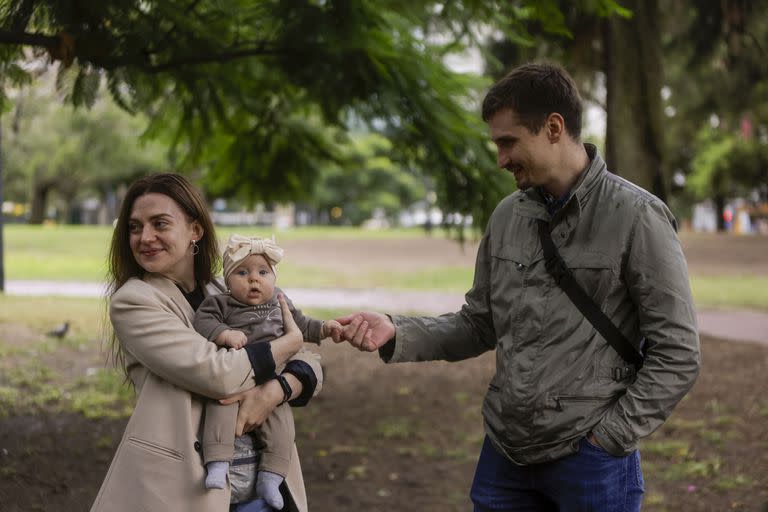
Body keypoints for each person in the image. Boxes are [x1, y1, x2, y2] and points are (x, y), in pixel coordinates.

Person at [336, 62, 700, 511]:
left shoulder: (638, 217)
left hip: (590, 461)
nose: (501, 159)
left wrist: (610, 437)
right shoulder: (507, 216)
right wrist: (397, 330)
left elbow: (678, 350)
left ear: (553, 128)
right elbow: (478, 324)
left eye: (508, 142)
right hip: (504, 456)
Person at [92, 173, 322, 512]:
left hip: (264, 483)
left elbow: (314, 361)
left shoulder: (227, 289)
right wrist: (288, 345)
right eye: (135, 227)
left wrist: (276, 391)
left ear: (195, 231)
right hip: (191, 487)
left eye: (160, 224)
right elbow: (219, 375)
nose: (146, 237)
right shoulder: (135, 301)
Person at [194, 234, 341, 509]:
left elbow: (301, 324)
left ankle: (271, 477)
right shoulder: (221, 304)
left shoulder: (279, 301)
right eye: (242, 272)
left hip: (274, 379)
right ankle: (217, 462)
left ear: (273, 277)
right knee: (220, 409)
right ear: (227, 281)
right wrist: (224, 334)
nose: (254, 279)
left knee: (282, 427)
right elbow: (203, 322)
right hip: (236, 379)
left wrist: (323, 329)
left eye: (263, 272)